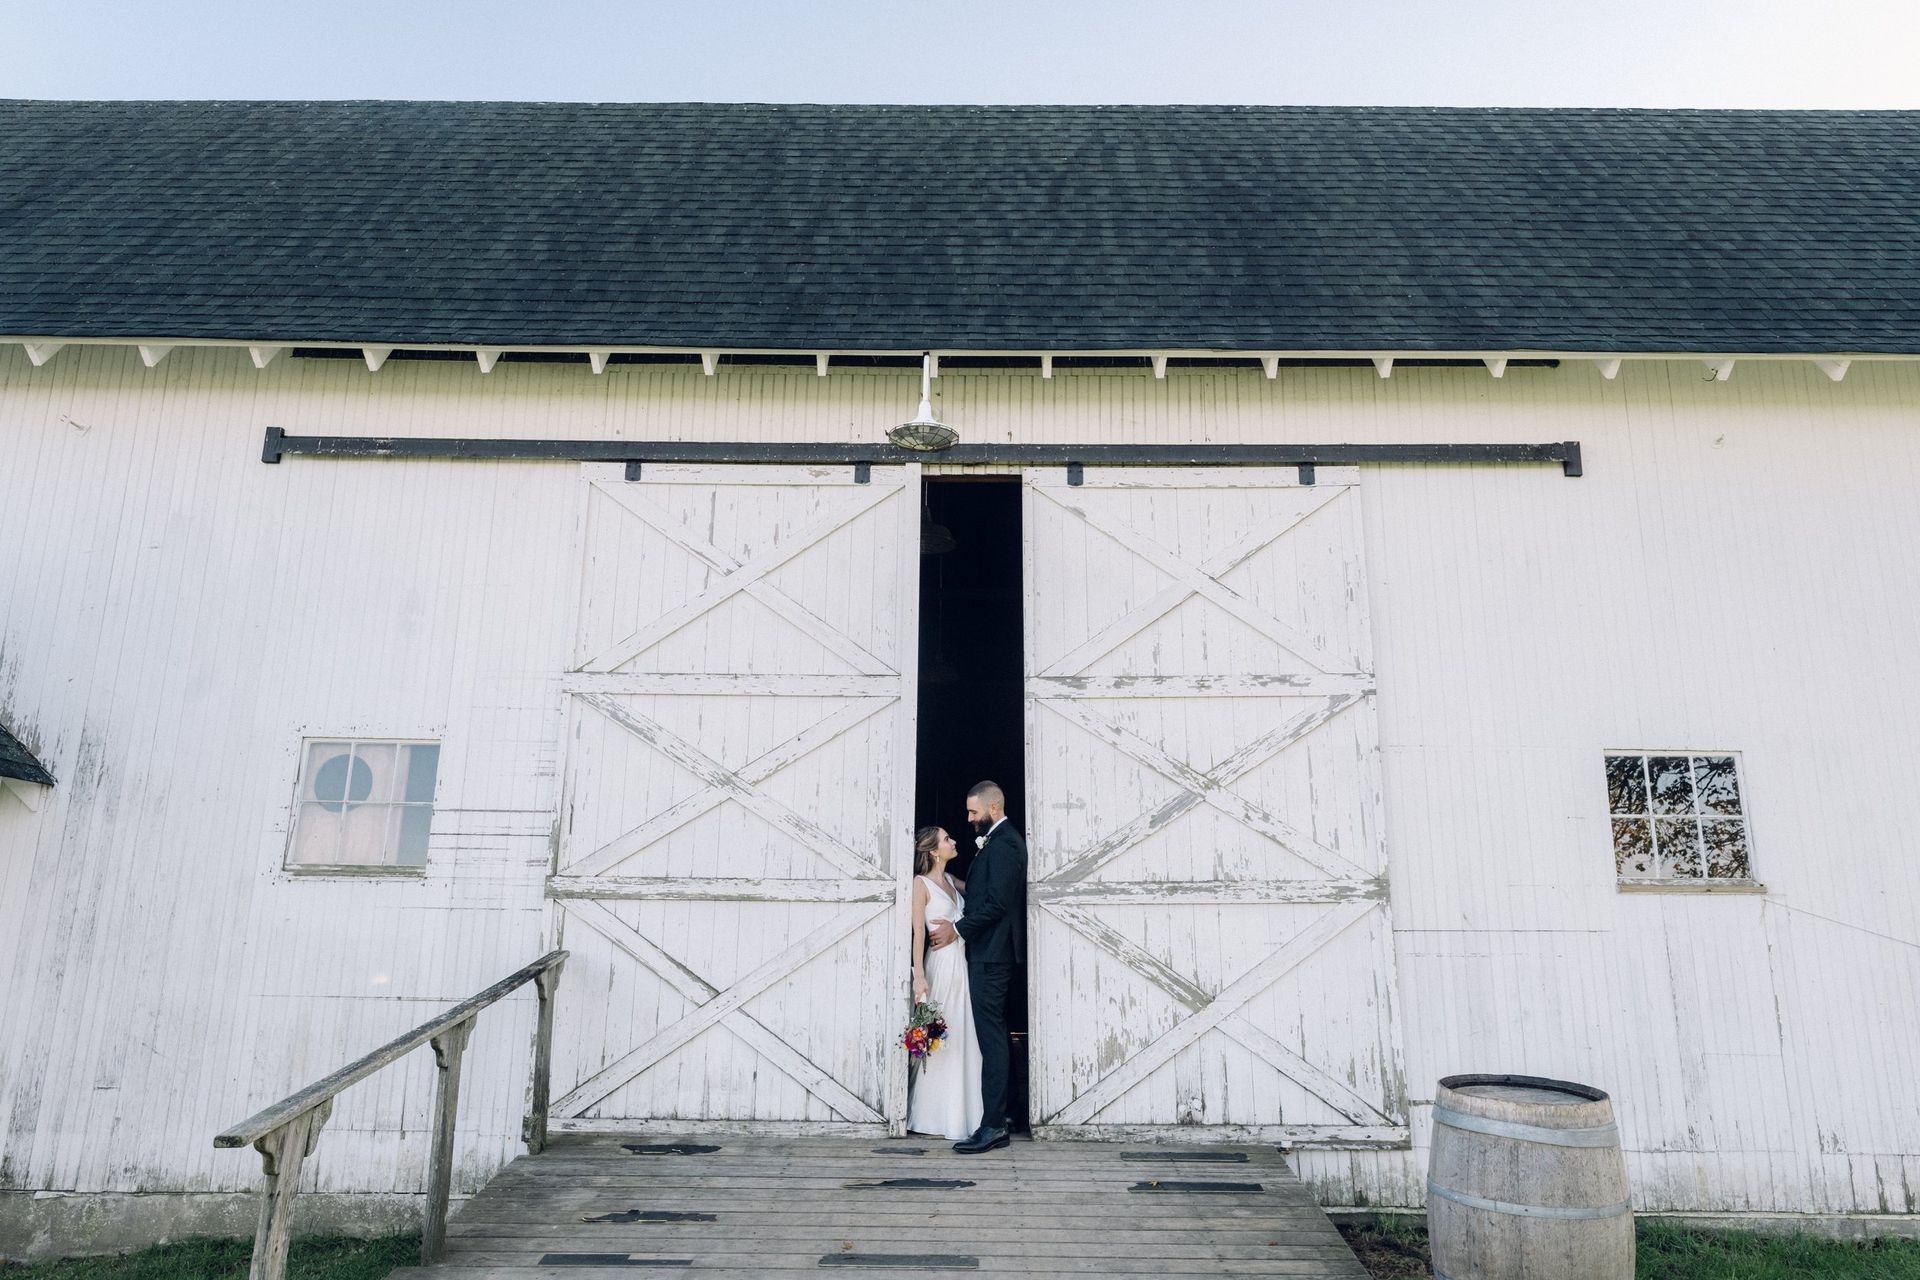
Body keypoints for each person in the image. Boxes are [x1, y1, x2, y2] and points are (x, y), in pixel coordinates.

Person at [927, 780, 1025, 1154]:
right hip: (988, 952)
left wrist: (957, 929)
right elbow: (986, 893)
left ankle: (994, 1125)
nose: (969, 819)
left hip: (992, 954)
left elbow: (998, 904)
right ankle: (1007, 1112)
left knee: (992, 1036)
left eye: (973, 812)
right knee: (994, 1033)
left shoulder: (1006, 844)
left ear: (993, 808)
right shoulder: (998, 842)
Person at [904, 827, 984, 1140]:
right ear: (935, 851)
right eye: (947, 839)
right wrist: (919, 977)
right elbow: (918, 934)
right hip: (939, 967)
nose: (953, 841)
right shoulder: (920, 884)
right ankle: (933, 1115)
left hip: (962, 966)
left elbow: (980, 890)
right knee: (941, 1035)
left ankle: (966, 1112)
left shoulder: (951, 882)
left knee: (964, 1034)